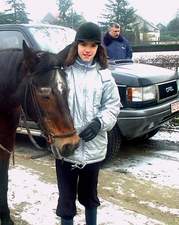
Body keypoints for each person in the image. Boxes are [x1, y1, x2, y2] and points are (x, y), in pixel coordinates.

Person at [56, 22, 121, 225]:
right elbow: (53, 108)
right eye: (83, 44)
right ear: (75, 45)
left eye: (93, 45)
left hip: (93, 151)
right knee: (66, 201)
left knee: (90, 198)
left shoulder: (105, 76)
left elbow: (113, 106)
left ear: (98, 48)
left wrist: (99, 123)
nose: (88, 50)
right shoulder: (63, 73)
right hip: (66, 150)